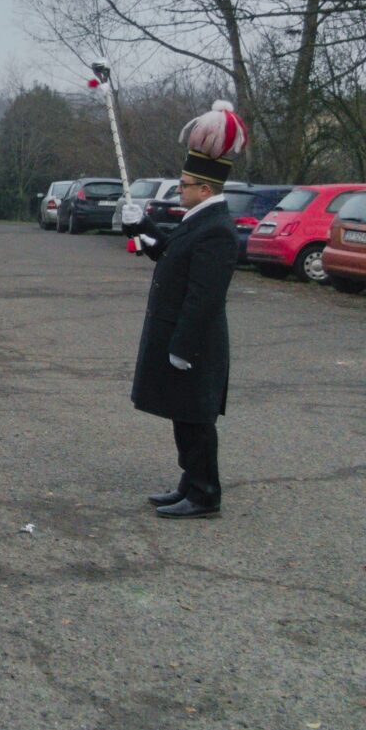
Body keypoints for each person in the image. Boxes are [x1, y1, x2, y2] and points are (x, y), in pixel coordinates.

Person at [121, 100, 249, 519]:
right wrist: (141, 225)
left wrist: (183, 346)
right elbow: (169, 254)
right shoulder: (199, 220)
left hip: (196, 343)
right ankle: (189, 483)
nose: (179, 190)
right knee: (183, 415)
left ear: (205, 189)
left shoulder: (218, 231)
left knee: (196, 419)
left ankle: (205, 494)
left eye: (184, 185)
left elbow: (203, 297)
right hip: (180, 336)